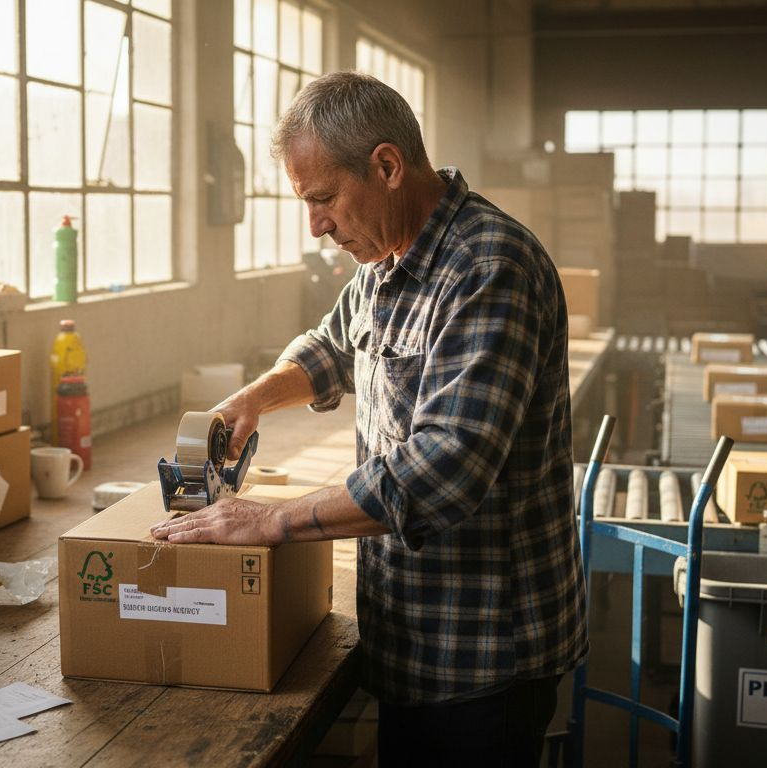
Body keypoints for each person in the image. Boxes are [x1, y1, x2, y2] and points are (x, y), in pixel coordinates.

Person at [151, 71, 586, 766]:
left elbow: (445, 466)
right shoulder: (386, 259)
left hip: (482, 654)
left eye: (323, 199)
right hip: (411, 631)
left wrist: (271, 520)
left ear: (386, 166)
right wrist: (255, 398)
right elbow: (330, 348)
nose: (317, 226)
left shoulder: (488, 267)